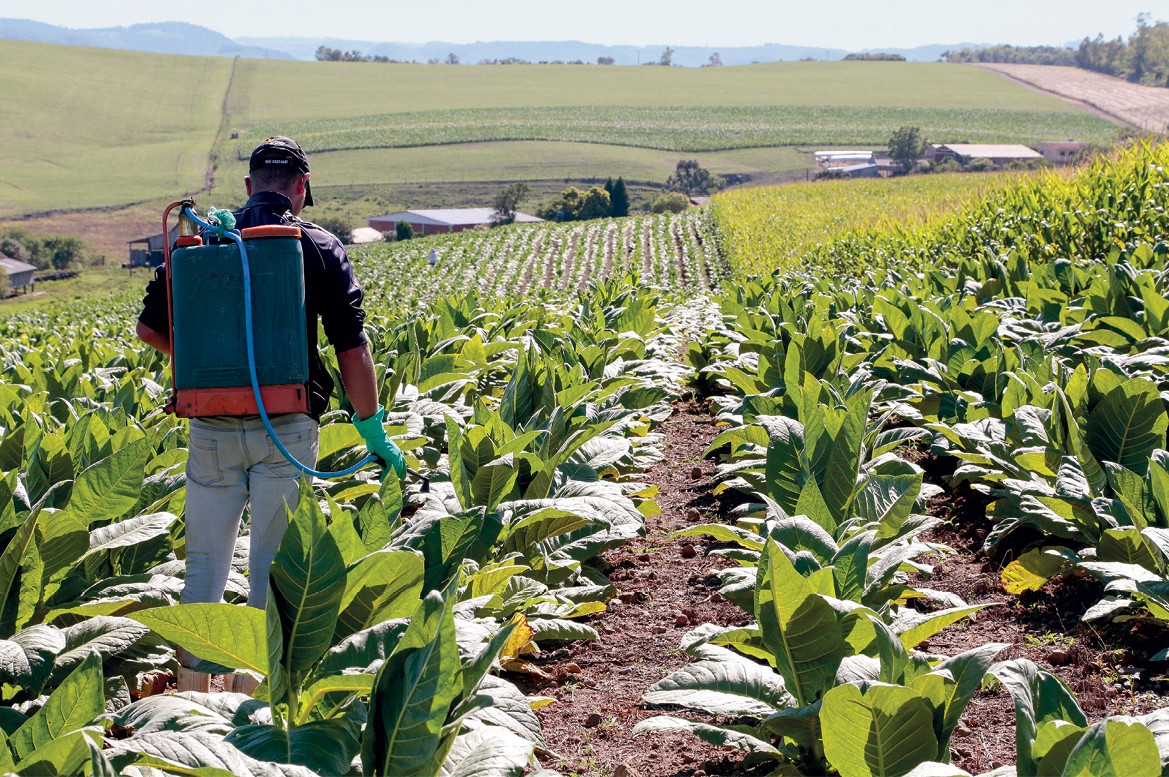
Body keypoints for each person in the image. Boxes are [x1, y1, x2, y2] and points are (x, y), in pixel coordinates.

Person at [136, 136, 406, 693]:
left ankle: (188, 706)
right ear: (301, 189)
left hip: (211, 427)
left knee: (205, 568)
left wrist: (208, 363)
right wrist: (371, 427)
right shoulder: (318, 246)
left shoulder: (204, 239)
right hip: (286, 427)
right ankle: (251, 704)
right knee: (268, 572)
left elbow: (149, 330)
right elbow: (351, 349)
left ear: (249, 186)